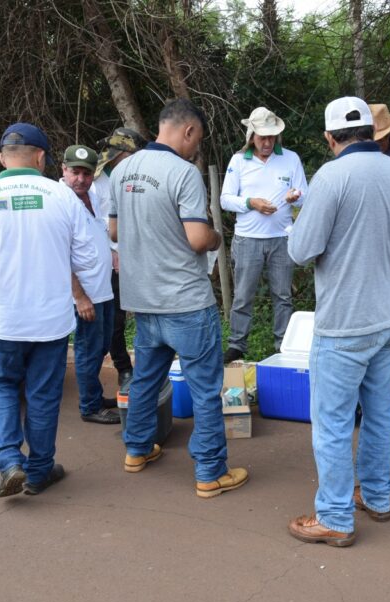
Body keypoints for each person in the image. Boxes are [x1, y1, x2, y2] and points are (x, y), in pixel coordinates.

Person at [287, 96, 390, 547]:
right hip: (389, 316)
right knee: (379, 411)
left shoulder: (331, 176)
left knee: (332, 423)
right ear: (372, 130)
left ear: (329, 138)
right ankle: (378, 498)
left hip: (344, 322)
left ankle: (336, 517)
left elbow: (301, 250)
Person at [109, 98, 249, 498]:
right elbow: (197, 239)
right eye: (197, 140)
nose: (196, 148)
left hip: (143, 299)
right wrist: (219, 237)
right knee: (205, 388)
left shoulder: (123, 170)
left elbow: (115, 232)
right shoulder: (184, 173)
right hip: (185, 300)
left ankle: (136, 450)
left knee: (145, 380)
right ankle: (210, 472)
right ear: (187, 131)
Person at [0, 123, 98, 497]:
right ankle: (39, 471)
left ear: (3, 158)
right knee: (43, 395)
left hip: (4, 318)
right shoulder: (61, 196)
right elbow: (86, 256)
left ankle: (9, 460)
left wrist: (3, 262)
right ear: (41, 157)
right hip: (50, 320)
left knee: (0, 384)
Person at [220, 107, 309, 363]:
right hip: (248, 238)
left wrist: (296, 196)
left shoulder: (291, 159)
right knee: (243, 295)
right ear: (252, 136)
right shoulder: (239, 161)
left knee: (283, 295)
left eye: (272, 137)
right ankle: (237, 344)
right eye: (262, 137)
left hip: (282, 237)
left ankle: (283, 344)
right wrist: (251, 203)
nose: (268, 142)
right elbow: (225, 199)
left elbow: (306, 195)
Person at [60, 144, 120, 425]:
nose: (81, 179)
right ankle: (89, 406)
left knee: (102, 344)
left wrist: (113, 254)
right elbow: (59, 255)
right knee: (87, 347)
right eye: (75, 172)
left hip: (103, 287)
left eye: (86, 173)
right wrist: (79, 296)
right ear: (63, 170)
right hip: (85, 292)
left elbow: (98, 233)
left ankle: (94, 396)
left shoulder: (92, 195)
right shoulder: (60, 201)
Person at [94, 128, 148, 396]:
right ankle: (124, 369)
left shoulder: (143, 176)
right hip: (113, 260)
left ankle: (149, 369)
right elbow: (90, 224)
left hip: (144, 257)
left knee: (150, 316)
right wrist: (110, 248)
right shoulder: (97, 181)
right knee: (115, 321)